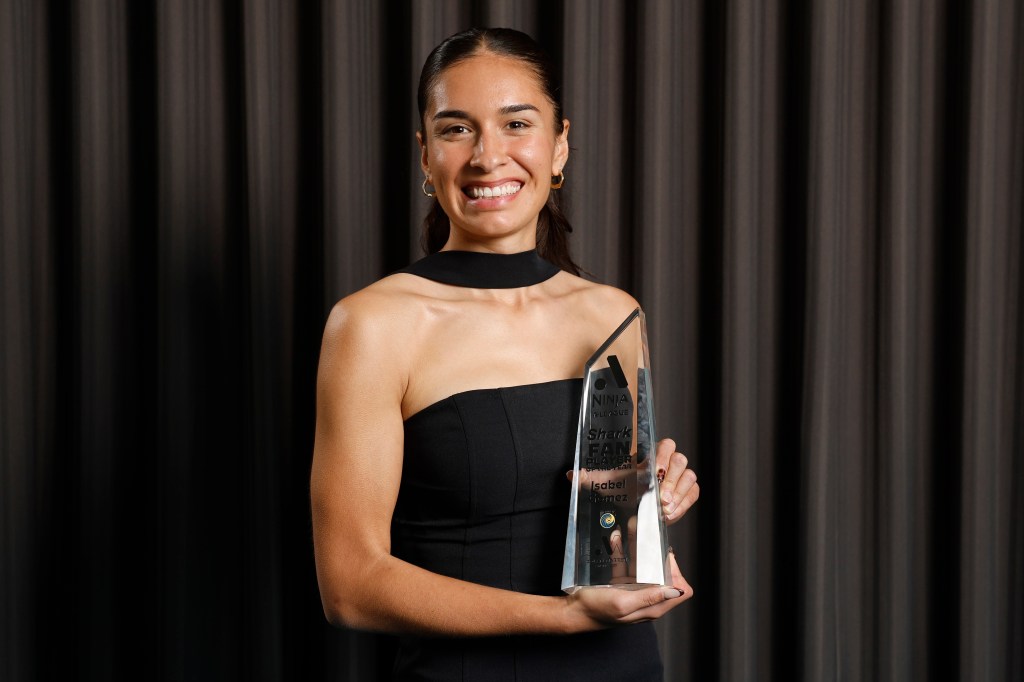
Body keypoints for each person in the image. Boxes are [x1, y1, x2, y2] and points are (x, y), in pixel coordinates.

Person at [311, 27, 700, 681]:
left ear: (559, 144)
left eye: (516, 123)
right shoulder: (373, 325)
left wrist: (648, 510)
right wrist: (566, 617)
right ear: (426, 154)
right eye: (457, 129)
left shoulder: (613, 314)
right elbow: (350, 585)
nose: (489, 156)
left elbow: (609, 535)